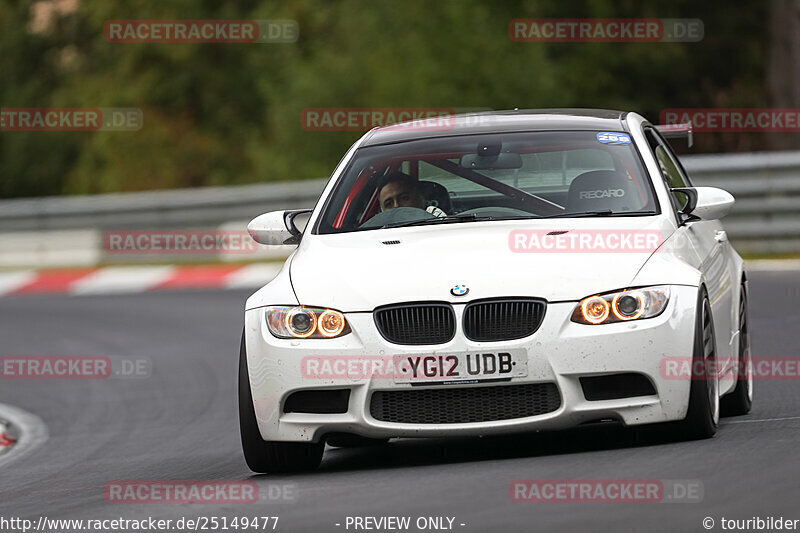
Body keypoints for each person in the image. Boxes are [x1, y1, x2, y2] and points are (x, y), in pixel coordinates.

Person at [376, 172, 447, 216]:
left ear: (422, 199)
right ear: (382, 211)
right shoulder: (374, 234)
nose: (396, 206)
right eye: (389, 204)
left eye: (404, 198)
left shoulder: (441, 226)